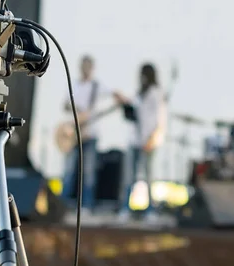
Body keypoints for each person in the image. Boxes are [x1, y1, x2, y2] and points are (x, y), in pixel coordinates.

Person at [61, 55, 116, 217]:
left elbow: (112, 95)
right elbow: (65, 104)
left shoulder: (97, 86)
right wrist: (77, 111)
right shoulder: (75, 85)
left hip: (90, 135)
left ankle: (86, 205)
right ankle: (62, 205)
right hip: (74, 134)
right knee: (69, 171)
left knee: (89, 172)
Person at [115, 63, 166, 222]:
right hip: (134, 141)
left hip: (148, 142)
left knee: (148, 177)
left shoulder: (156, 94)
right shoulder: (138, 93)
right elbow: (133, 115)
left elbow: (159, 119)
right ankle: (125, 208)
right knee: (129, 177)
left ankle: (150, 210)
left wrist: (153, 138)